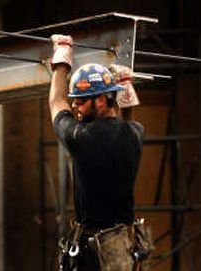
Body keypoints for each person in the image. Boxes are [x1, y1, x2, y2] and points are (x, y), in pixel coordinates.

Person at [49, 35, 149, 271]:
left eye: (81, 101)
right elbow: (128, 119)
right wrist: (124, 83)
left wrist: (62, 58)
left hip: (95, 254)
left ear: (102, 100)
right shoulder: (136, 134)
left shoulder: (80, 138)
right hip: (125, 249)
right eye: (75, 102)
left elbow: (56, 103)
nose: (75, 107)